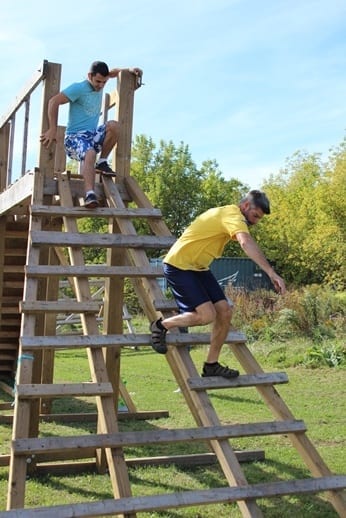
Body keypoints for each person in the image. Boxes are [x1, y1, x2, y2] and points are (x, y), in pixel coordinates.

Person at [150, 190, 286, 379]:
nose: (255, 222)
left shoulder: (228, 215)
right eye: (255, 216)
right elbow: (245, 242)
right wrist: (271, 272)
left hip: (198, 268)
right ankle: (160, 325)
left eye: (259, 219)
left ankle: (211, 365)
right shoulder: (232, 214)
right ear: (245, 206)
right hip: (179, 265)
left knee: (225, 311)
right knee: (206, 315)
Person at [40, 61, 142, 208]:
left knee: (115, 126)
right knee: (90, 152)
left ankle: (102, 162)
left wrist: (131, 69)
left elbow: (113, 72)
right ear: (90, 76)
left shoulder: (102, 82)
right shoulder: (79, 88)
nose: (100, 85)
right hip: (74, 139)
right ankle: (89, 195)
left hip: (91, 135)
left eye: (104, 82)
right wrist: (52, 129)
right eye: (98, 81)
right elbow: (53, 102)